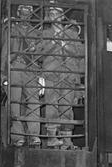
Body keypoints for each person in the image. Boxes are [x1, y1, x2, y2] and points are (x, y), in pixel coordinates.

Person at [39, 5, 84, 148]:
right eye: (51, 13)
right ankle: (52, 138)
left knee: (66, 108)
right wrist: (53, 44)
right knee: (51, 106)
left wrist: (65, 46)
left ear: (61, 15)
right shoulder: (44, 34)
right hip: (51, 74)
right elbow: (39, 54)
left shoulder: (71, 34)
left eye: (56, 13)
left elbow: (79, 53)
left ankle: (66, 141)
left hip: (68, 75)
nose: (54, 16)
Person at [1, 4, 41, 147]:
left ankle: (34, 135)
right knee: (15, 103)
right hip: (15, 67)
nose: (25, 15)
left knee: (34, 103)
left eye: (28, 12)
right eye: (23, 11)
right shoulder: (11, 30)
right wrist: (3, 74)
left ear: (31, 14)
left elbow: (40, 56)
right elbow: (5, 51)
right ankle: (18, 137)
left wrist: (40, 75)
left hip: (31, 70)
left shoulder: (36, 33)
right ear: (18, 13)